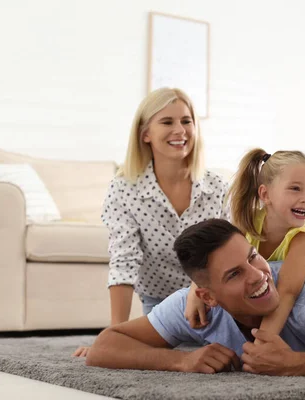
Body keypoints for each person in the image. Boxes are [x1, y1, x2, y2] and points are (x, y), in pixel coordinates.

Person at [85, 219, 305, 378]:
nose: (259, 274)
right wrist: (181, 362)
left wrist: (294, 364)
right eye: (234, 274)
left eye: (251, 256)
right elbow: (105, 347)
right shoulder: (194, 306)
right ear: (207, 296)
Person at [73, 88, 229, 357]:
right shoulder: (124, 190)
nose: (179, 130)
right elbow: (123, 263)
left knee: (240, 354)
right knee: (146, 353)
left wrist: (197, 289)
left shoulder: (218, 188)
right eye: (167, 122)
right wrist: (116, 337)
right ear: (146, 134)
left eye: (186, 121)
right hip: (160, 306)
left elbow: (229, 256)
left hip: (215, 300)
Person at [184, 148, 305, 338]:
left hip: (302, 308)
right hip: (262, 303)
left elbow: (287, 293)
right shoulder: (249, 221)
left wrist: (263, 342)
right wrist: (194, 291)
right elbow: (213, 256)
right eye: (295, 188)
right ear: (265, 194)